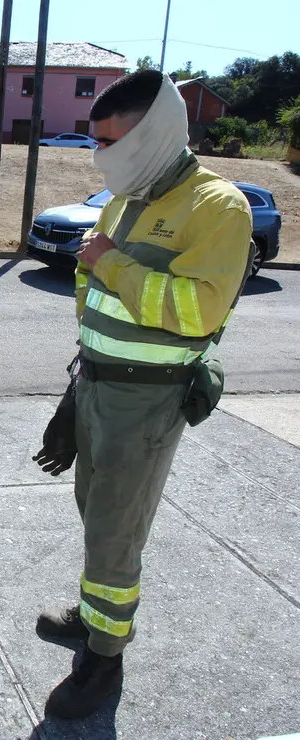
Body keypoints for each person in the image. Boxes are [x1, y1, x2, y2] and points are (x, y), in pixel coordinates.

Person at [32, 70, 252, 719]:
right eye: (93, 142)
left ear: (152, 134)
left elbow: (198, 311)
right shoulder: (121, 200)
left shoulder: (217, 206)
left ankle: (103, 660)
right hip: (97, 387)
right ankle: (100, 617)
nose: (99, 155)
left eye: (109, 140)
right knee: (94, 515)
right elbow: (92, 297)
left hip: (147, 402)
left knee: (114, 533)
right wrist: (74, 394)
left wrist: (109, 262)